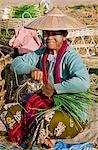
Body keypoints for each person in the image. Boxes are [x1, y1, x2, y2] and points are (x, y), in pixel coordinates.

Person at [9, 7, 90, 148]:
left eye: (55, 34)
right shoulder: (41, 53)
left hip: (69, 112)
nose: (49, 37)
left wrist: (55, 88)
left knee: (44, 119)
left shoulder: (71, 56)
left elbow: (83, 82)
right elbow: (15, 63)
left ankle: (39, 142)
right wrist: (31, 69)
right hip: (46, 104)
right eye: (47, 33)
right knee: (9, 110)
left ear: (64, 35)